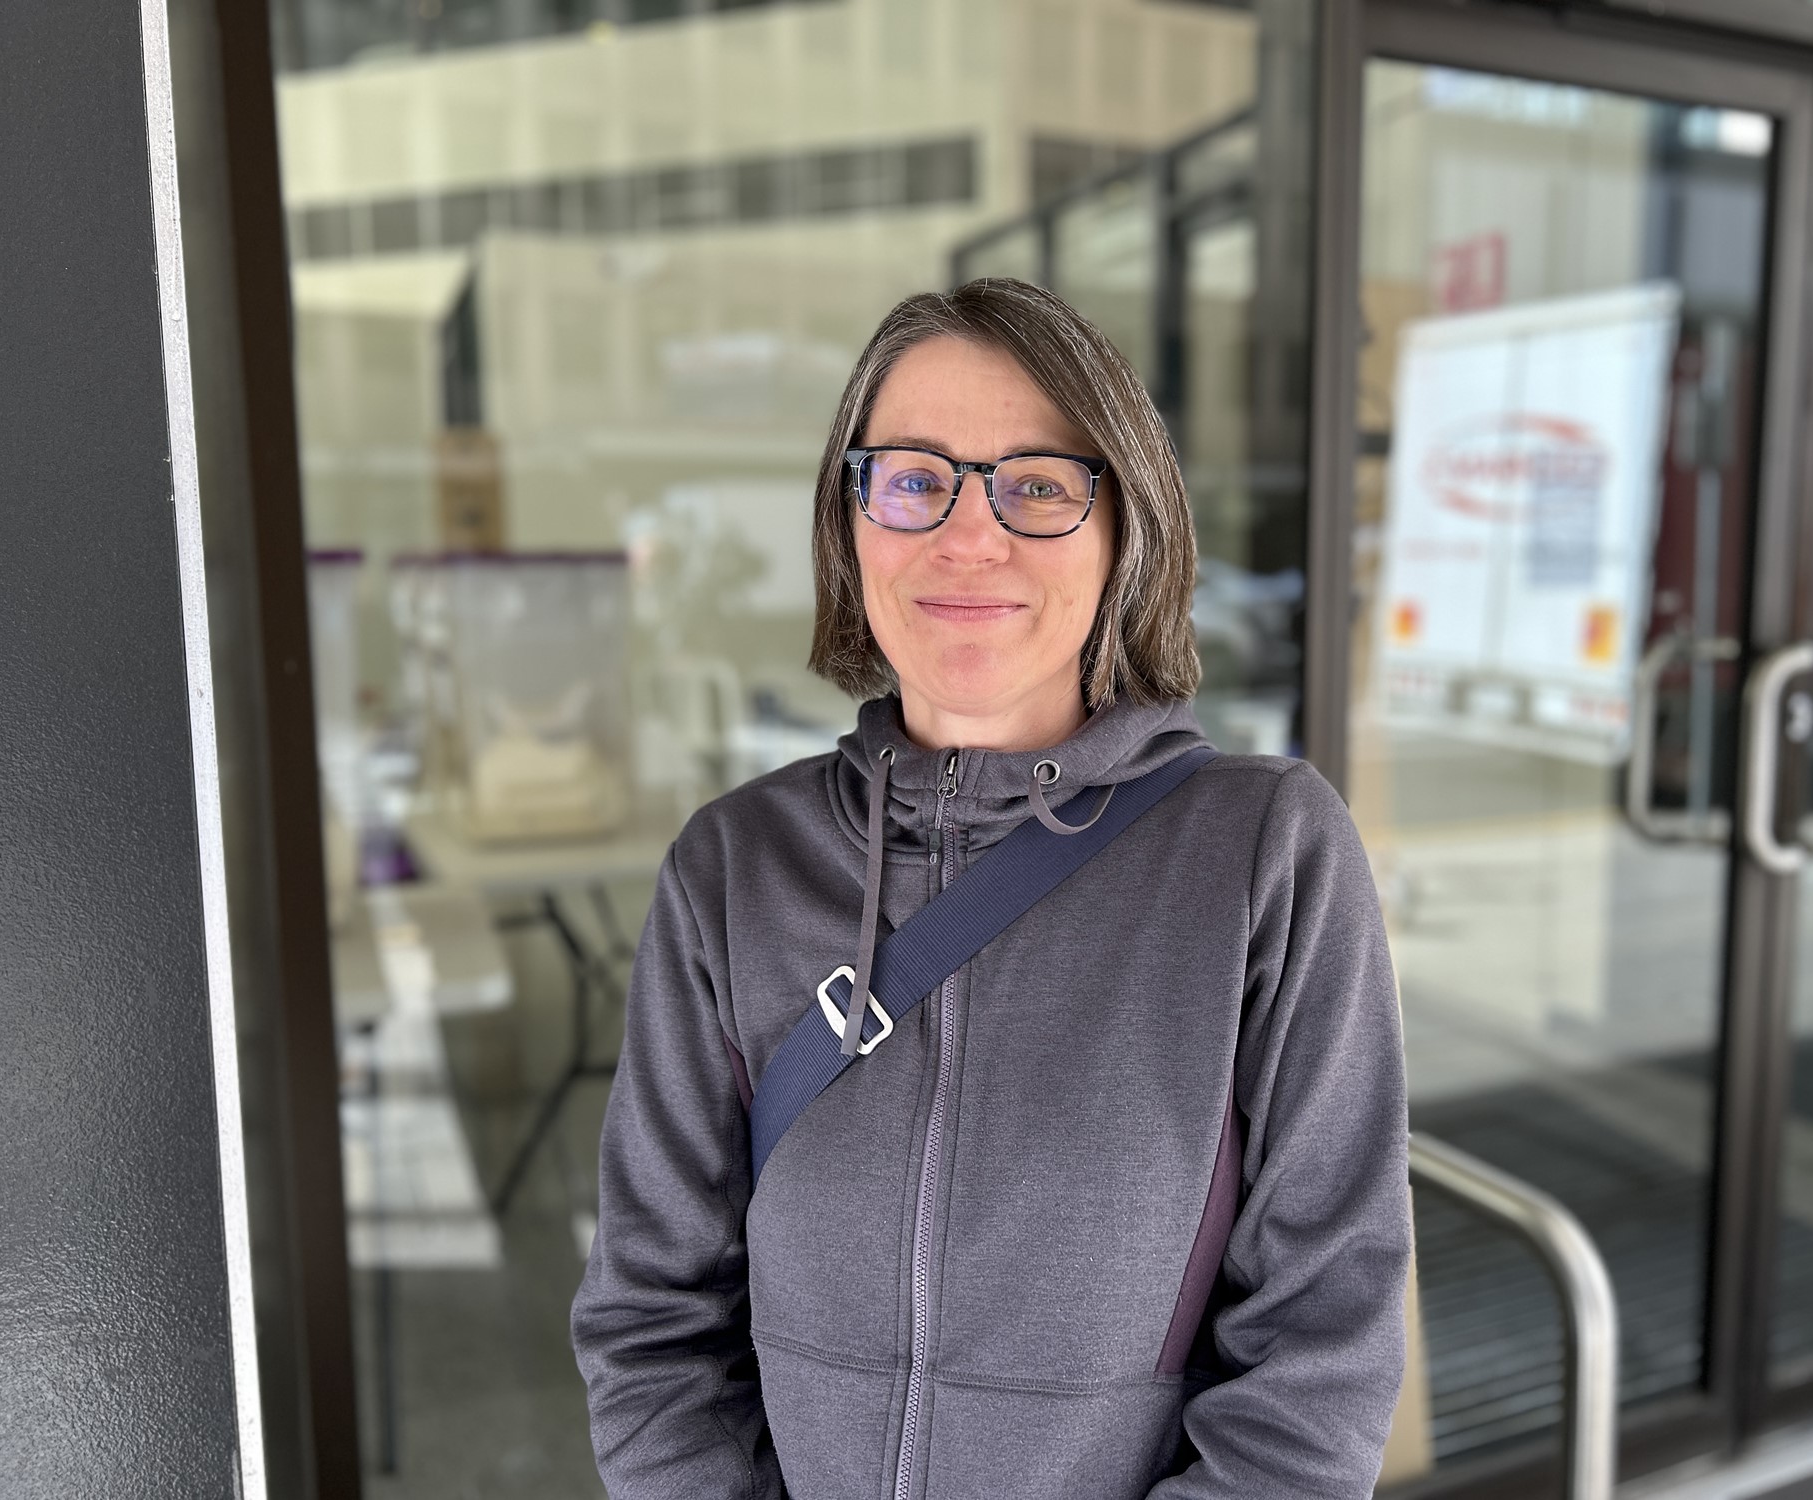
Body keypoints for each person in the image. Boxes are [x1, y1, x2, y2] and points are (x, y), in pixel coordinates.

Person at [572, 277, 1410, 1499]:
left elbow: (1319, 1349)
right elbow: (650, 1329)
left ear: (1124, 526)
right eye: (915, 479)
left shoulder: (1263, 854)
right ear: (849, 524)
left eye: (1036, 484)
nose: (970, 535)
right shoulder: (732, 869)